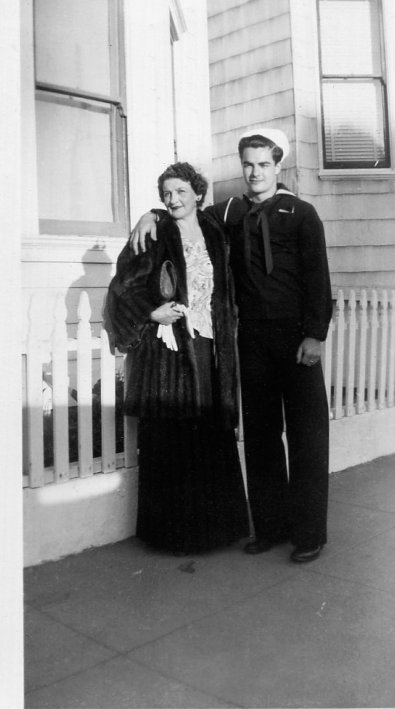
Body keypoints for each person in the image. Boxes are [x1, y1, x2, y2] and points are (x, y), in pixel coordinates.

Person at [129, 130, 333, 564]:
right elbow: (186, 213)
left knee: (306, 438)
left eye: (263, 164)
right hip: (252, 339)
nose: (255, 172)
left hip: (297, 339)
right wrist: (151, 213)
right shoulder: (230, 212)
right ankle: (271, 527)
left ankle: (309, 533)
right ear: (241, 166)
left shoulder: (301, 213)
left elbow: (319, 278)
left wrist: (315, 334)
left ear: (278, 166)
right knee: (259, 437)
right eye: (248, 164)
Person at [106, 162, 249, 556]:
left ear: (198, 194)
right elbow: (122, 287)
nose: (173, 200)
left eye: (181, 192)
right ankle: (174, 535)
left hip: (209, 348)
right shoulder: (155, 233)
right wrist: (151, 312)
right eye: (166, 194)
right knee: (172, 437)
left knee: (208, 432)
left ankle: (216, 531)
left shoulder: (216, 232)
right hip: (169, 352)